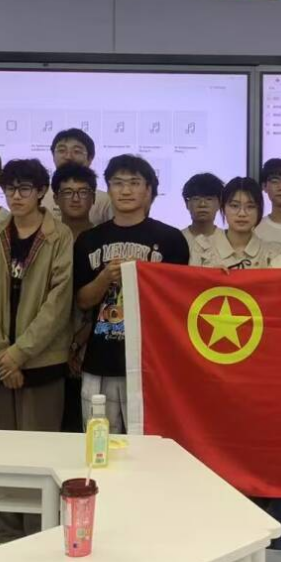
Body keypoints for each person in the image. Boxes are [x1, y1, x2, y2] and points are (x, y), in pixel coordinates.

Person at [0, 158, 74, 542]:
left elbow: (58, 303)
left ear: (41, 192)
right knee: (2, 454)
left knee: (39, 454)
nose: (16, 196)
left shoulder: (59, 236)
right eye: (10, 189)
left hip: (42, 361)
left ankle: (38, 535)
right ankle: (7, 534)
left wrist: (20, 353)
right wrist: (3, 353)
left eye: (25, 189)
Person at [74, 155, 189, 432]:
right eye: (118, 183)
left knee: (149, 441)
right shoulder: (89, 240)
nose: (125, 190)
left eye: (134, 183)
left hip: (151, 361)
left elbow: (177, 302)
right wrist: (104, 278)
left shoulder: (171, 239)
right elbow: (82, 301)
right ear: (108, 189)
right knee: (100, 441)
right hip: (101, 359)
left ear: (149, 190)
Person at [51, 162, 98, 432]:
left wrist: (80, 340)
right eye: (67, 192)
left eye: (83, 192)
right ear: (55, 198)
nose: (76, 198)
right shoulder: (46, 239)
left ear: (94, 197)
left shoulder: (103, 238)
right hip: (50, 344)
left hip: (94, 344)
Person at [190, 177, 281, 270]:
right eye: (234, 206)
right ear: (223, 208)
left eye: (250, 206)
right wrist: (211, 275)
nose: (242, 213)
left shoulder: (272, 253)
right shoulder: (202, 248)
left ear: (259, 210)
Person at [41, 128, 112, 225]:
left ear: (90, 158)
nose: (68, 156)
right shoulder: (39, 196)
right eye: (62, 150)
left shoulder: (104, 201)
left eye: (77, 151)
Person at [180, 172, 223, 254]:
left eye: (209, 199)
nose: (202, 204)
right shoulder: (177, 239)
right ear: (187, 204)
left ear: (219, 203)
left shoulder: (228, 240)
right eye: (196, 199)